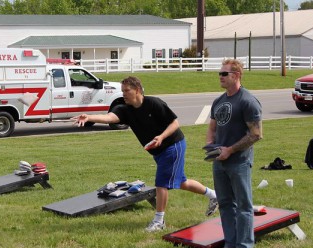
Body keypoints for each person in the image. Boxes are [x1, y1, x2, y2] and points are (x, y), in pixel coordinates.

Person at [71, 76, 218, 232]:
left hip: (173, 145)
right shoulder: (124, 109)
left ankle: (159, 221)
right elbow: (110, 117)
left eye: (127, 91)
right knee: (181, 182)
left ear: (138, 90)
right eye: (122, 91)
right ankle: (214, 195)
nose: (124, 94)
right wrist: (89, 117)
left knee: (161, 183)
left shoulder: (154, 103)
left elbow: (175, 123)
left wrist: (161, 137)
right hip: (159, 151)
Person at [206, 59, 263, 248]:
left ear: (236, 75)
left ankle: (244, 247)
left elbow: (256, 134)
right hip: (219, 161)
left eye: (224, 74)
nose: (220, 77)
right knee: (225, 203)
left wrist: (230, 150)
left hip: (239, 161)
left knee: (243, 204)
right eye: (220, 73)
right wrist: (212, 147)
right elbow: (212, 127)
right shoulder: (219, 101)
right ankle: (230, 244)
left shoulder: (247, 101)